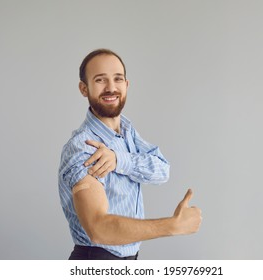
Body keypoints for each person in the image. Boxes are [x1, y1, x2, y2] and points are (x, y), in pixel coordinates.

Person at [58, 49, 202, 260]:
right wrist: (173, 225)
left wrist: (118, 159)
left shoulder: (126, 131)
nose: (111, 88)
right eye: (100, 80)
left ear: (126, 85)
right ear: (83, 88)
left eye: (118, 79)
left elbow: (162, 170)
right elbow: (99, 229)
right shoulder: (84, 147)